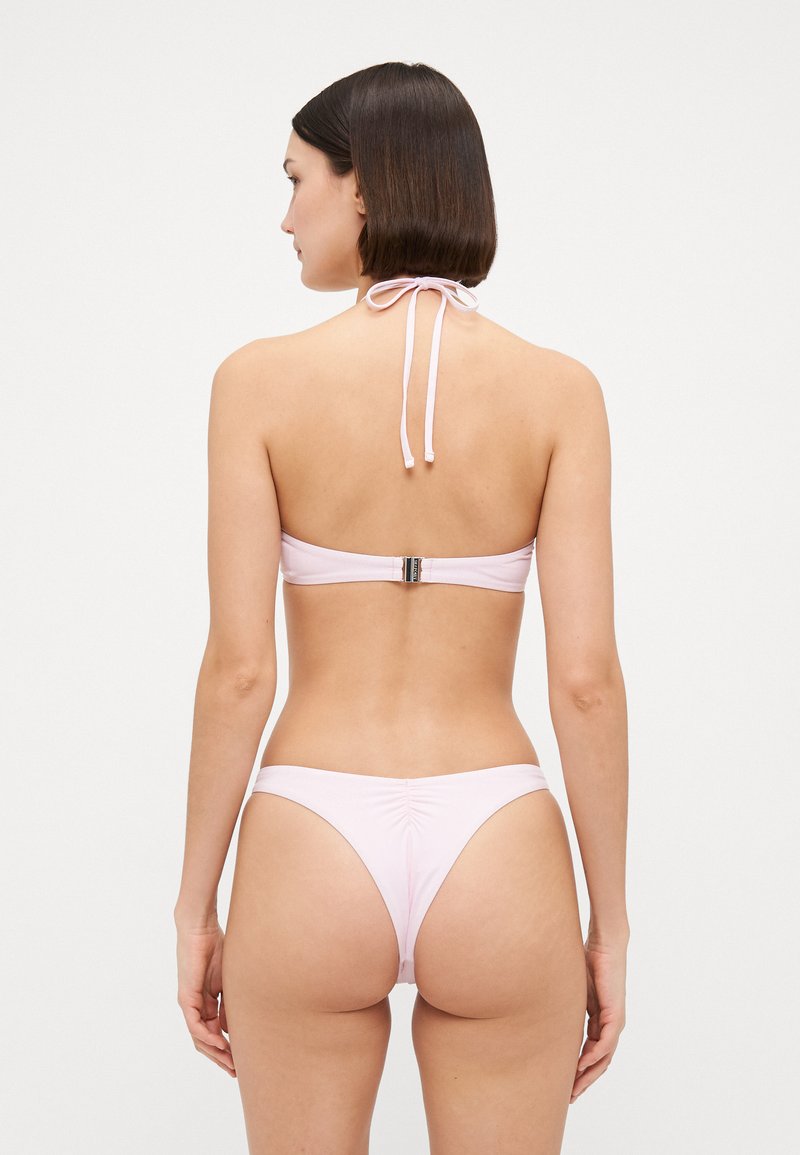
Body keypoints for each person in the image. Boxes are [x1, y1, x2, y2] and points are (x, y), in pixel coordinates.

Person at [173, 61, 630, 1155]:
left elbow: (240, 673)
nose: (286, 217)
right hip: (498, 843)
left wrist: (194, 905)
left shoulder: (256, 384)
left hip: (310, 838)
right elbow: (584, 682)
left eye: (297, 180)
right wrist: (607, 924)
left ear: (364, 186)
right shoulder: (559, 392)